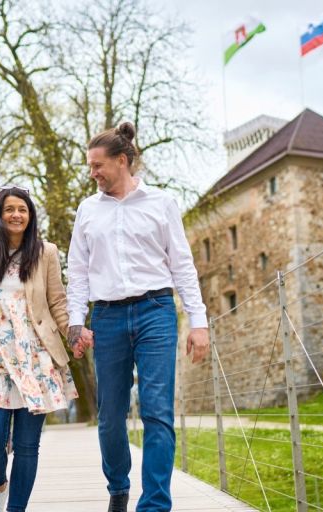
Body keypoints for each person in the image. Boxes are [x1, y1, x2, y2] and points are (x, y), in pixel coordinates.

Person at [66, 122, 210, 512]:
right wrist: (76, 322)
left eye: (98, 165)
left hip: (156, 312)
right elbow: (77, 272)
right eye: (89, 166)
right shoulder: (87, 211)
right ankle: (118, 486)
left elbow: (182, 265)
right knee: (110, 417)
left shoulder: (161, 203)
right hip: (107, 318)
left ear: (123, 161)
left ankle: (155, 504)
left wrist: (199, 323)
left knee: (156, 412)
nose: (92, 173)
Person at [0, 185, 93, 512]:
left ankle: (15, 509)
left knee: (26, 446)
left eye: (22, 209)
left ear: (30, 215)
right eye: (9, 209)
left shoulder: (46, 252)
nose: (16, 214)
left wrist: (73, 333)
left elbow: (57, 301)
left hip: (37, 358)